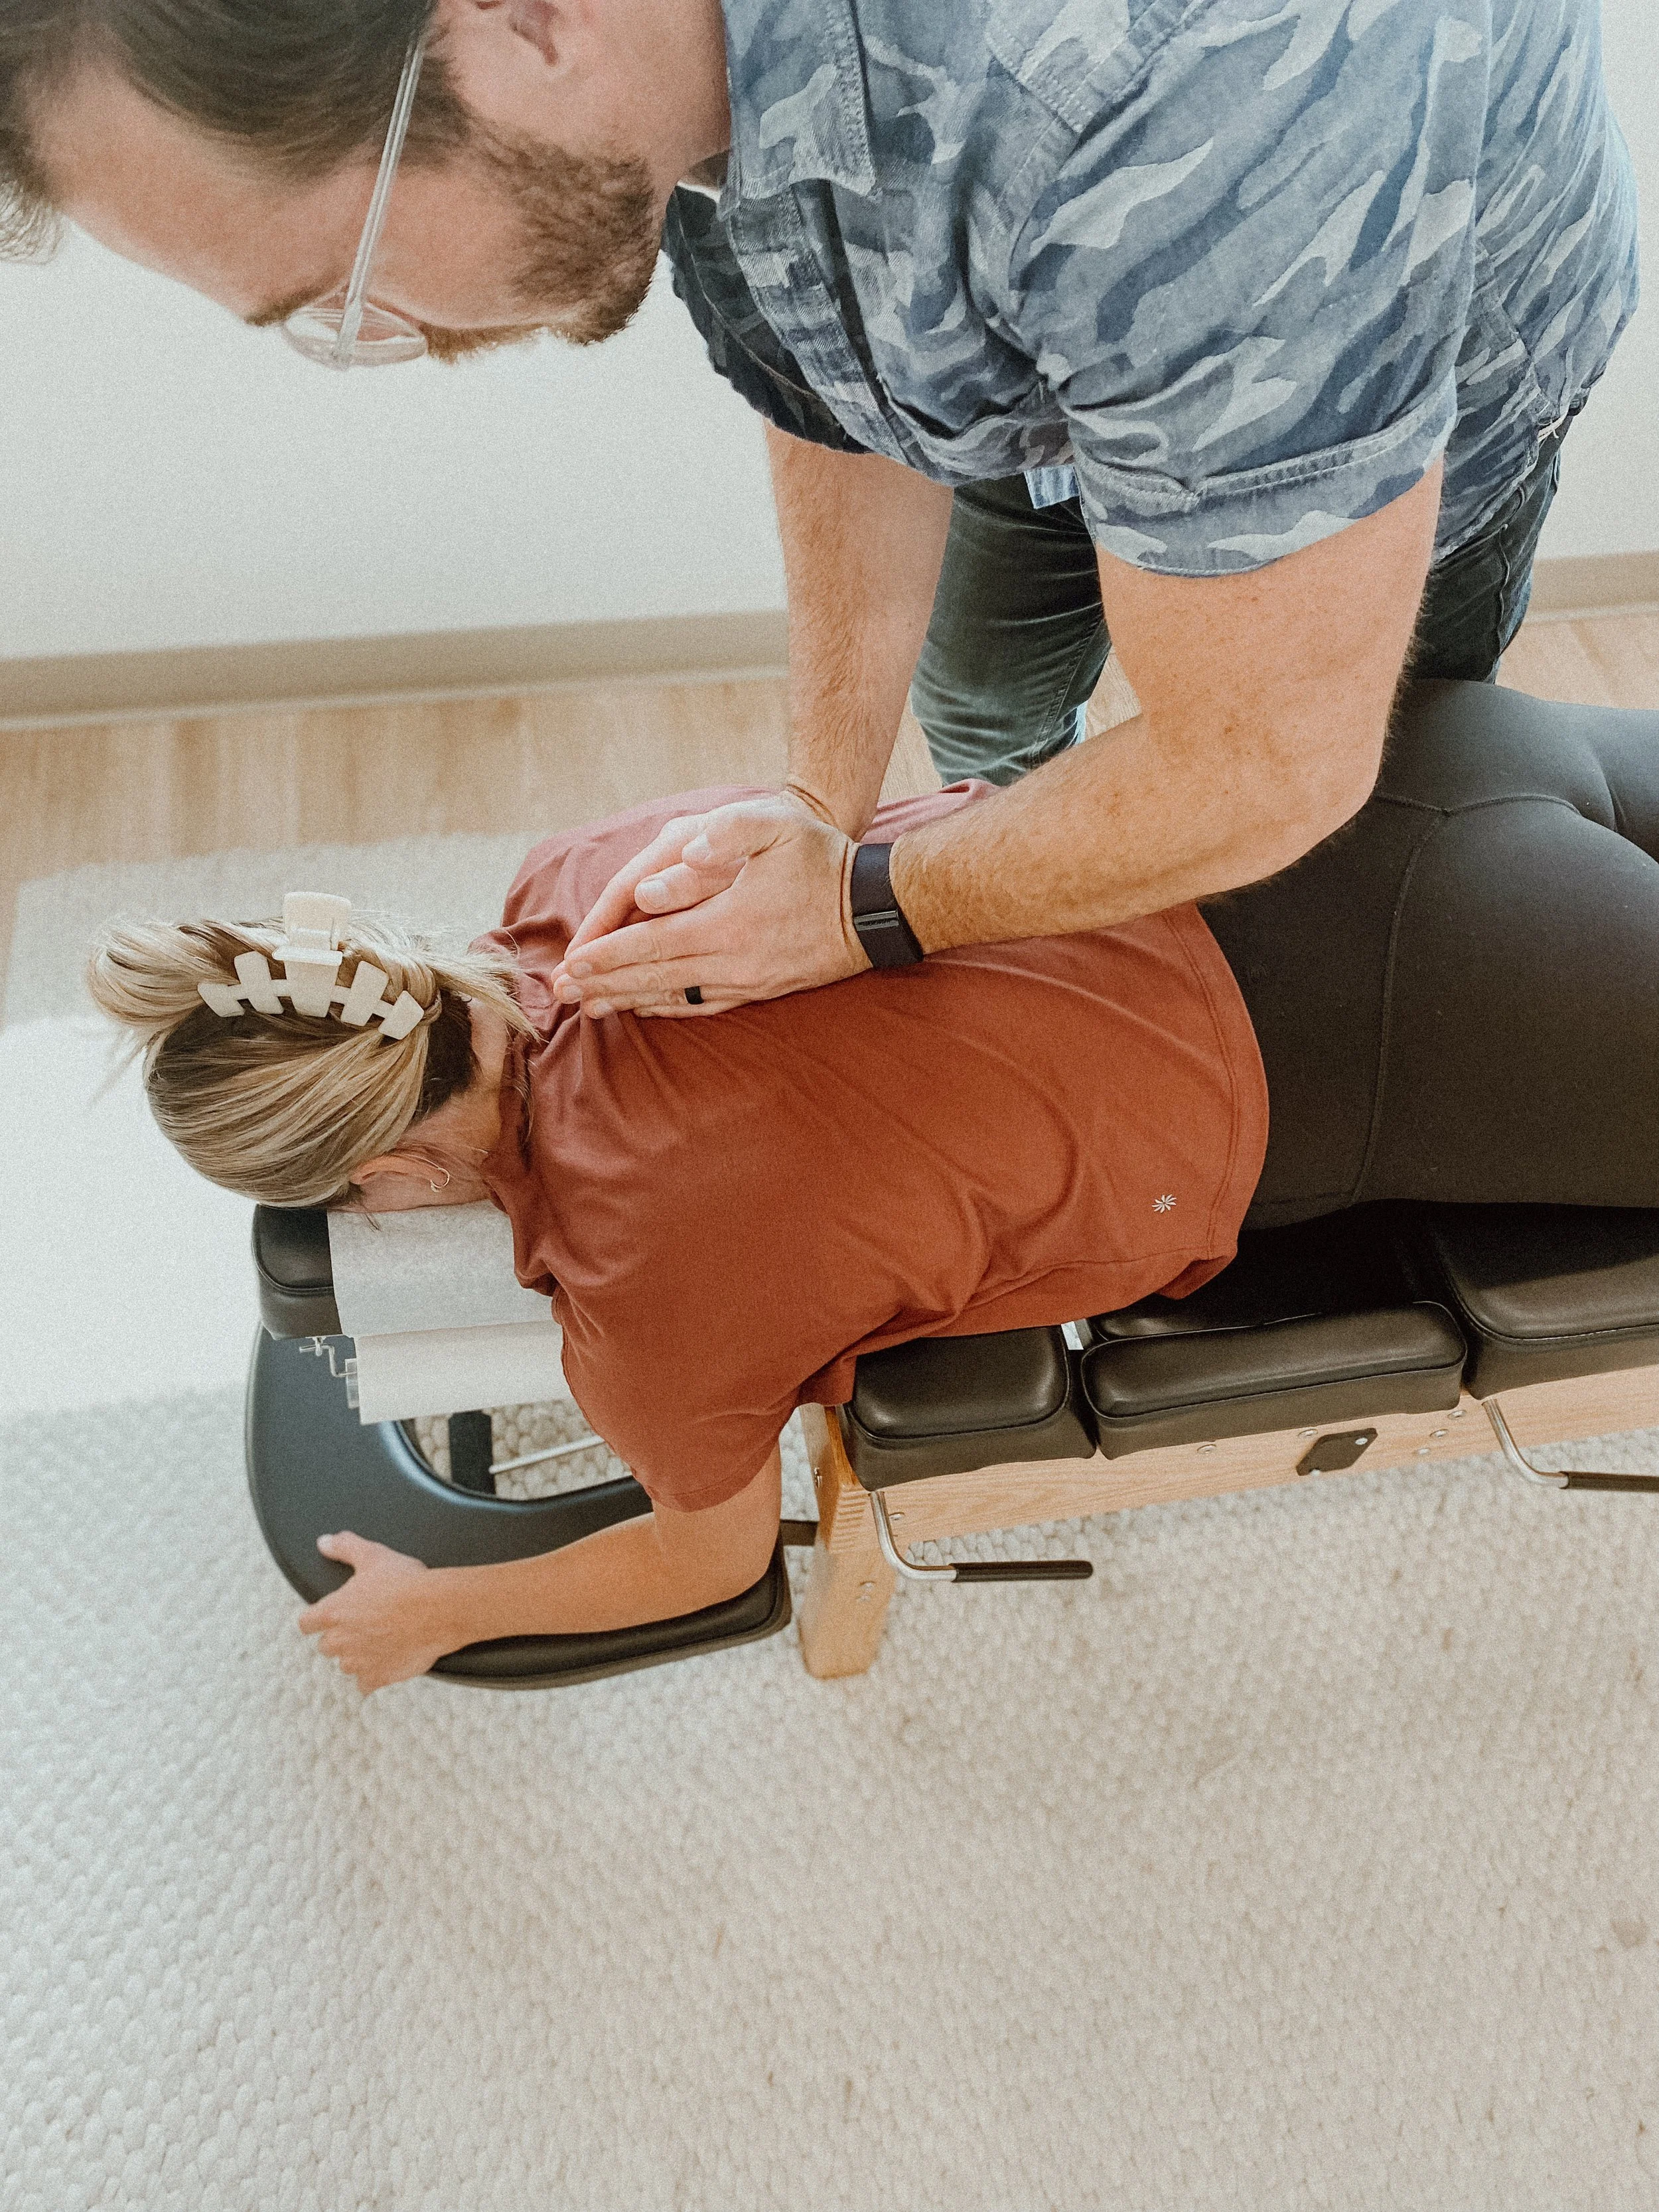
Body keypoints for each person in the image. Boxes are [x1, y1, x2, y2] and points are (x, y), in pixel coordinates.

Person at [2, 0, 1639, 1012]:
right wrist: (822, 804)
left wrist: (870, 913)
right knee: (988, 698)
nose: (392, 346)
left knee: (1379, 846)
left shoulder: (1183, 68)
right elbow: (826, 364)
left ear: (512, 17)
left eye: (338, 292)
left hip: (1383, 388)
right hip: (1044, 345)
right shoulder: (635, 81)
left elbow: (1268, 759)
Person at [90, 681, 1659, 1694]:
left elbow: (703, 1556)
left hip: (1434, 1014)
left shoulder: (647, 1278)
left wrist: (433, 1610)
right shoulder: (575, 881)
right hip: (1332, 768)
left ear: (378, 1168)